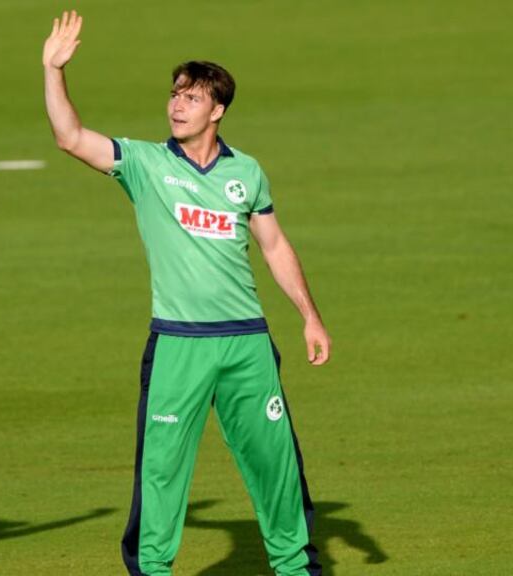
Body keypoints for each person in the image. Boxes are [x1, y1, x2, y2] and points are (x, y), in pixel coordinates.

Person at [42, 11, 330, 576]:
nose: (177, 105)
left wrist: (309, 318)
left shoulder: (246, 173)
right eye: (175, 94)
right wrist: (54, 71)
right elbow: (70, 138)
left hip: (247, 343)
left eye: (192, 98)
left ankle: (298, 570)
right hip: (178, 345)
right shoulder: (147, 164)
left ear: (217, 110)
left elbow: (274, 246)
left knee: (277, 469)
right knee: (162, 474)